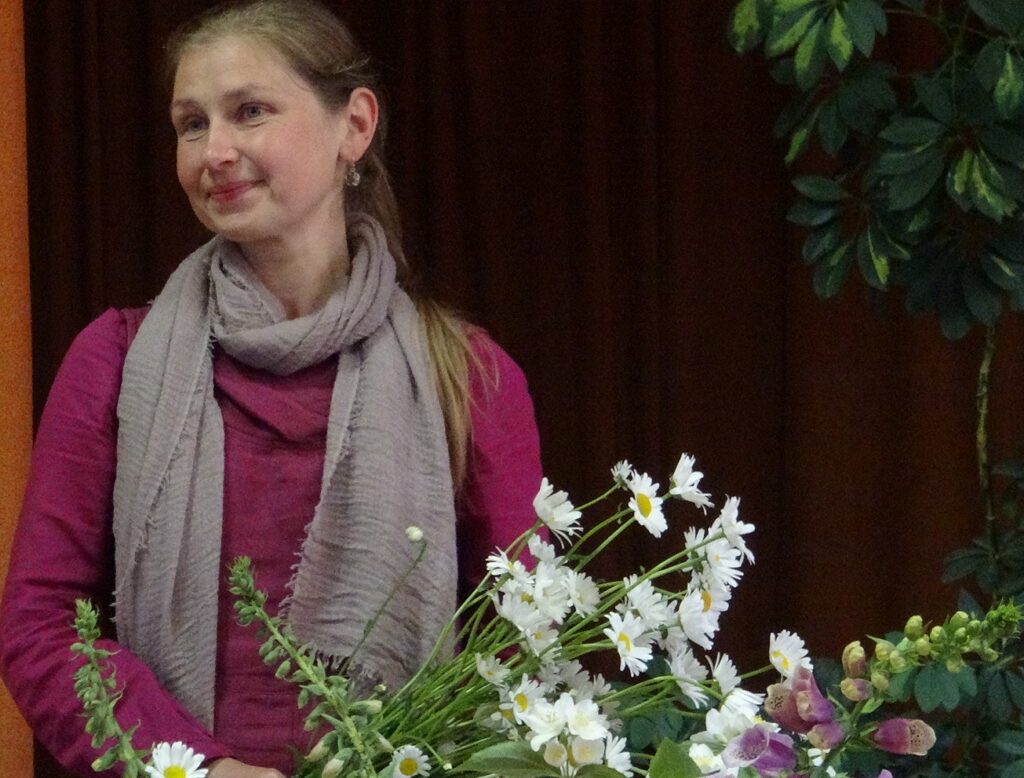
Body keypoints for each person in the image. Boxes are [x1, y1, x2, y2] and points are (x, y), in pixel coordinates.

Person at [0, 1, 543, 776]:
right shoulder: (114, 360)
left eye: (249, 111)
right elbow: (41, 624)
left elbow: (524, 637)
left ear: (354, 126)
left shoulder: (465, 372)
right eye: (191, 124)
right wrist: (200, 769)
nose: (214, 151)